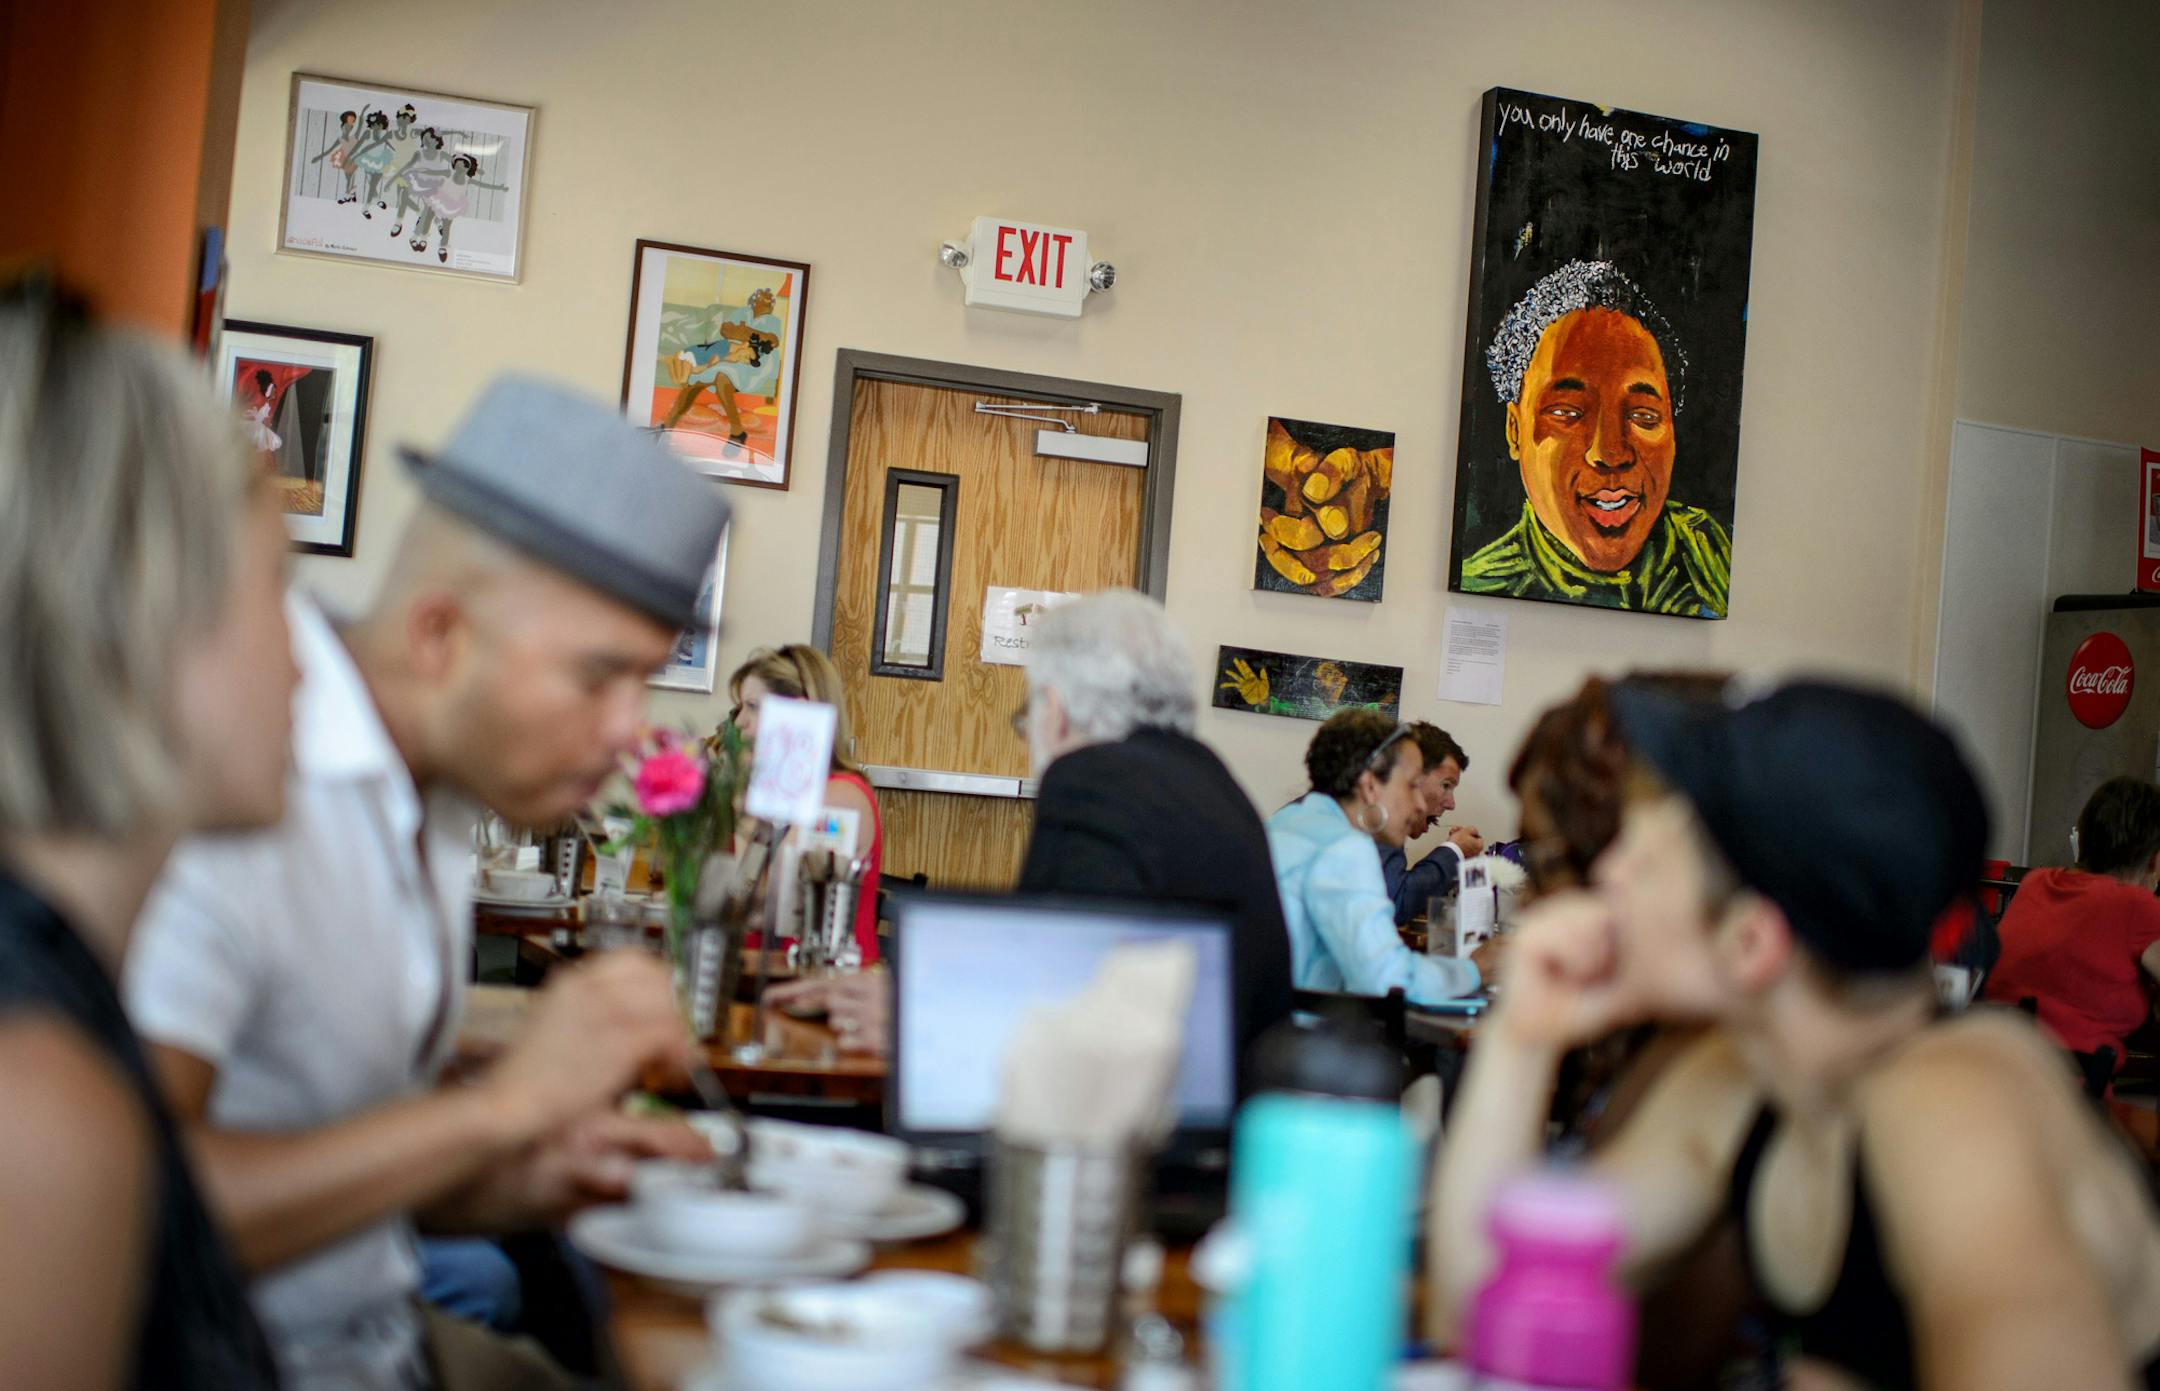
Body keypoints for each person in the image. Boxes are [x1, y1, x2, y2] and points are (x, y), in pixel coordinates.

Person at [124, 377, 731, 1390]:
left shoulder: (439, 797)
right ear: (439, 636)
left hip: (383, 1340)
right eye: (598, 676)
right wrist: (499, 1110)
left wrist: (524, 1174)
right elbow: (123, 1207)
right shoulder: (244, 791)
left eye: (648, 678)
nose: (632, 728)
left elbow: (339, 1166)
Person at [1433, 680, 2160, 1390]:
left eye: (1645, 859)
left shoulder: (1959, 1102)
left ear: (1751, 943)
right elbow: (1483, 1311)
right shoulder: (1742, 1077)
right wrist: (1522, 1038)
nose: (1608, 874)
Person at [0, 281, 290, 1387]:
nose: (306, 656)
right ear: (142, 615)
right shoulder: (39, 1109)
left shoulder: (68, 990)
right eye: (279, 587)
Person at [1015, 590, 1296, 1064]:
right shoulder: (1215, 781)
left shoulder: (1092, 780)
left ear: (1056, 710)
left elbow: (1052, 989)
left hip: (1151, 1116)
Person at [1458, 259, 1731, 617]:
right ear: (1514, 431)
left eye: (1643, 416)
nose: (1610, 452)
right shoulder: (1482, 589)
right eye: (1568, 413)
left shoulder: (1714, 553)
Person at [1267, 710, 1481, 1005]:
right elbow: (1387, 979)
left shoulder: (1286, 820)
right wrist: (1474, 969)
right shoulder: (1345, 849)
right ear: (1369, 786)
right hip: (1295, 1036)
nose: (1419, 803)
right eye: (1410, 786)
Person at [1984, 776, 2160, 1076]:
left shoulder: (2035, 883)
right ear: (2154, 862)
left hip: (1994, 1071)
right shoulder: (2137, 907)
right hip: (2069, 1096)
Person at [727, 643, 883, 966]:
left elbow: (773, 910)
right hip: (764, 977)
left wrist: (745, 814)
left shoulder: (841, 797)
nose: (740, 721)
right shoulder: (781, 797)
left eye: (753, 707)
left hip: (821, 992)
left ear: (800, 713)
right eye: (739, 708)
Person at [1378, 722, 1484, 925]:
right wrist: (1454, 851)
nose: (1451, 804)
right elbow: (1393, 905)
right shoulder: (1378, 819)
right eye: (1446, 785)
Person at [659, 285, 785, 449]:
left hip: (755, 362)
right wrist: (751, 335)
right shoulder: (742, 312)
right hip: (732, 354)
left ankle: (736, 431)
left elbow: (773, 341)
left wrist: (742, 332)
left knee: (722, 377)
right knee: (693, 386)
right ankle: (667, 427)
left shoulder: (773, 321)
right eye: (762, 296)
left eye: (769, 300)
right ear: (754, 300)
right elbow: (726, 331)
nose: (767, 299)